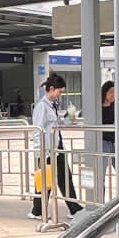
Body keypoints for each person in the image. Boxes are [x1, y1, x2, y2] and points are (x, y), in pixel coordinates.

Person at [30, 73, 81, 219]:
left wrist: (69, 120)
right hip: (47, 150)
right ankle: (37, 211)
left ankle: (74, 208)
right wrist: (40, 152)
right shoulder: (41, 106)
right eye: (59, 92)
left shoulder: (52, 105)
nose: (60, 95)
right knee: (46, 182)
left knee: (65, 177)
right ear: (51, 89)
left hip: (57, 147)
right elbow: (37, 129)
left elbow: (55, 124)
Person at [99, 80, 116, 202]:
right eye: (110, 92)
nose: (113, 95)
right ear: (104, 92)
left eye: (115, 92)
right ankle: (100, 201)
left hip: (116, 142)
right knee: (101, 175)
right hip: (103, 143)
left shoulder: (117, 107)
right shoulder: (97, 108)